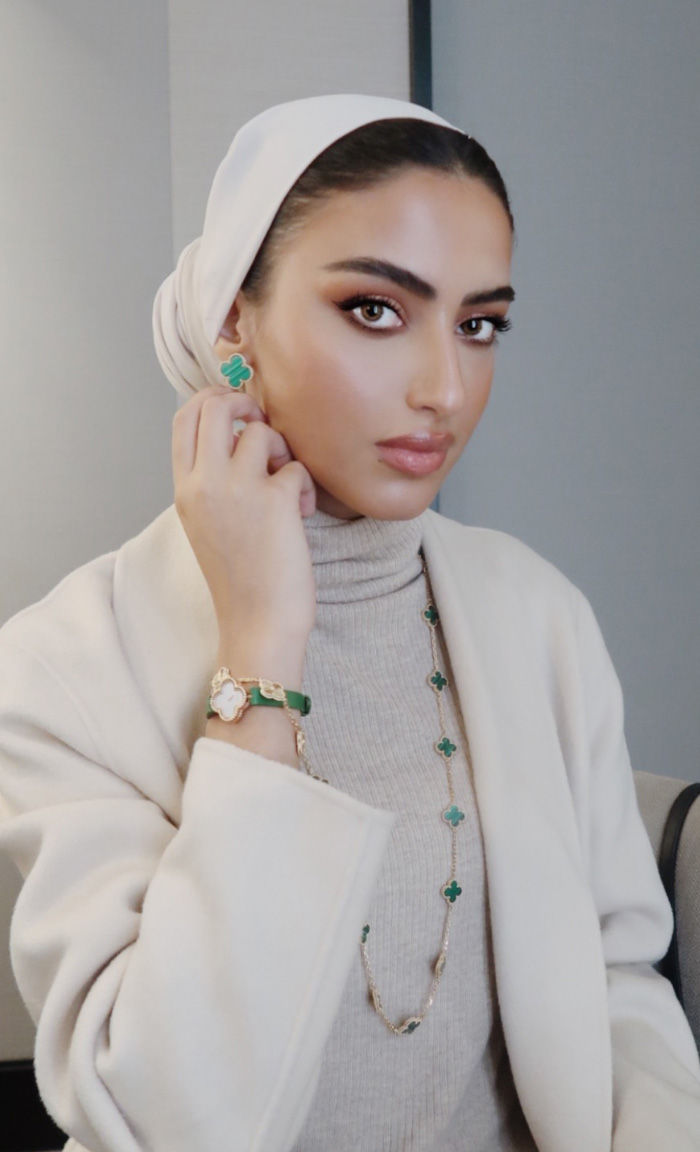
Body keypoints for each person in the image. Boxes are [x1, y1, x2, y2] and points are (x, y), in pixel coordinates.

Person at [0, 92, 698, 1152]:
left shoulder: (538, 614)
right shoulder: (61, 669)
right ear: (234, 318)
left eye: (479, 325)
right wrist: (262, 644)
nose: (445, 388)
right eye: (375, 309)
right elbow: (165, 1117)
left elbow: (618, 986)